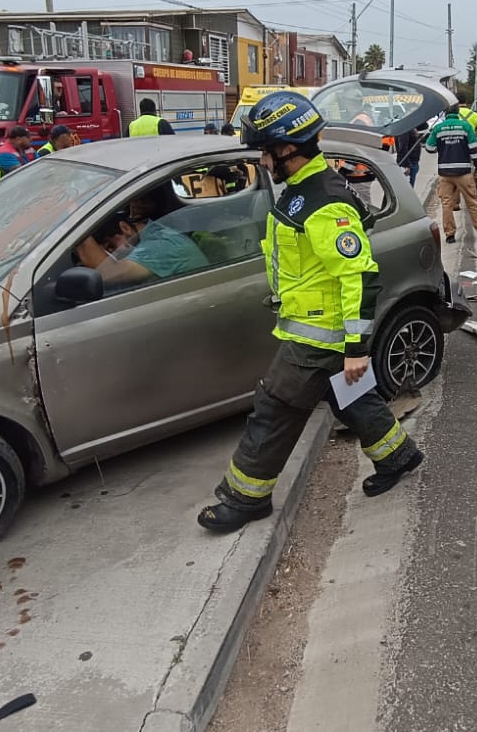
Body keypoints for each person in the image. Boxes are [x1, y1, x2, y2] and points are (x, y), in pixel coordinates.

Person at [197, 91, 423, 533]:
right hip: (315, 325)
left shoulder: (325, 202)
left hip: (319, 333)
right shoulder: (305, 189)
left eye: (265, 151)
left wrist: (357, 349)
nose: (262, 160)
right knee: (349, 395)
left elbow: (360, 278)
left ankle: (246, 498)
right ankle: (397, 455)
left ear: (286, 149)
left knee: (275, 407)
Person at [77, 182, 209, 288]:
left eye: (111, 247)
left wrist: (75, 219)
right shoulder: (152, 234)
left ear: (124, 228)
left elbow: (108, 273)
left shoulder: (160, 245)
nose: (111, 255)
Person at [424, 104, 477, 243]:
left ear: (445, 113)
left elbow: (429, 147)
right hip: (463, 172)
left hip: (445, 174)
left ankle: (450, 234)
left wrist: (441, 147)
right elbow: (474, 149)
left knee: (447, 204)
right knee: (472, 202)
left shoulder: (438, 128)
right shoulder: (466, 127)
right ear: (457, 112)